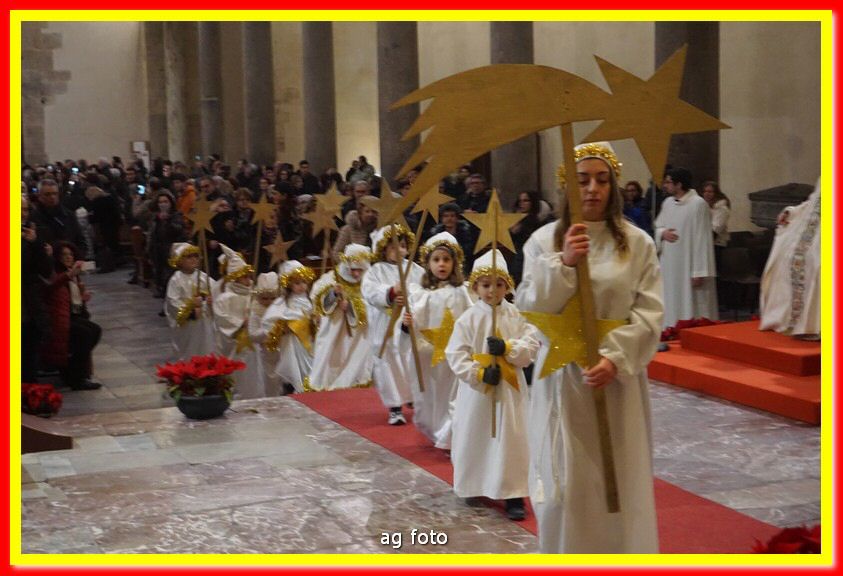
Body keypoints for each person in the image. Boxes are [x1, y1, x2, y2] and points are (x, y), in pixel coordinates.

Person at [515, 141, 664, 553]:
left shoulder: (637, 243)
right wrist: (563, 264)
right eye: (582, 180)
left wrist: (615, 358)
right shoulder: (543, 240)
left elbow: (649, 312)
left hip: (616, 383)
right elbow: (528, 306)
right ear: (567, 186)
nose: (592, 189)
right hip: (563, 379)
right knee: (567, 483)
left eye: (602, 180)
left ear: (614, 185)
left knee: (619, 477)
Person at [445, 249, 539, 521]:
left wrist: (508, 348)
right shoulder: (468, 319)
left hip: (509, 391)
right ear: (475, 287)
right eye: (485, 285)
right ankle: (474, 482)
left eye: (498, 285)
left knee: (511, 439)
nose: (492, 291)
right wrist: (478, 373)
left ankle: (513, 492)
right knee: (475, 434)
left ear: (507, 286)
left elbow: (531, 345)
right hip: (478, 392)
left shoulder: (516, 315)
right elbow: (456, 354)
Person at [404, 232, 473, 450]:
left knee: (453, 396)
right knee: (431, 396)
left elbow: (471, 317)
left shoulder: (462, 292)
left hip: (455, 356)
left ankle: (449, 436)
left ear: (455, 262)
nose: (441, 264)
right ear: (428, 263)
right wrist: (406, 323)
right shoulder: (419, 293)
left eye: (446, 259)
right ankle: (436, 430)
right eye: (436, 259)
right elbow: (412, 322)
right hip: (428, 355)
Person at [361, 224, 424, 425]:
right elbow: (370, 292)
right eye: (393, 247)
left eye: (403, 246)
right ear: (383, 249)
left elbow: (424, 289)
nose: (399, 250)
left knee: (410, 359)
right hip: (385, 325)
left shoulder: (414, 269)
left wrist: (410, 297)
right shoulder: (376, 271)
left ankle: (413, 397)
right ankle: (395, 407)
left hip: (408, 323)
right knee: (388, 364)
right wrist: (391, 293)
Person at [654, 167, 718, 328]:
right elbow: (658, 226)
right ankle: (670, 328)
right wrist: (662, 233)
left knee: (692, 302)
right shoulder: (668, 203)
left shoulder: (698, 204)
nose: (665, 185)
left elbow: (702, 238)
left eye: (668, 182)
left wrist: (699, 271)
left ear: (679, 184)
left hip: (689, 265)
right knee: (670, 297)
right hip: (670, 265)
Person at [759, 178, 820, 339]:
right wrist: (791, 212)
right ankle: (799, 322)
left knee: (817, 264)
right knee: (788, 259)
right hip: (814, 230)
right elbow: (812, 202)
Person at [309, 244, 374, 391]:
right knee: (331, 361)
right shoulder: (332, 277)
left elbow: (373, 305)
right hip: (333, 331)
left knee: (355, 364)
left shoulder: (370, 282)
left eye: (360, 270)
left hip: (358, 336)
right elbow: (319, 301)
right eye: (353, 269)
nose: (356, 274)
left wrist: (351, 305)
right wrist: (333, 294)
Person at [41, 241, 103, 390]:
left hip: (69, 314)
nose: (68, 257)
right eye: (64, 255)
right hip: (57, 318)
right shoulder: (57, 272)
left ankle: (74, 370)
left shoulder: (72, 273)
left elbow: (71, 299)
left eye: (70, 254)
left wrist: (82, 297)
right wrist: (69, 275)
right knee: (84, 334)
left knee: (94, 330)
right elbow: (51, 287)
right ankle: (76, 377)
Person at [213, 245, 264, 399]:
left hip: (254, 342)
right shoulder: (225, 298)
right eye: (244, 277)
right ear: (235, 278)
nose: (249, 280)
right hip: (236, 344)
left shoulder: (254, 294)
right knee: (239, 371)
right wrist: (241, 322)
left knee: (255, 371)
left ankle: (256, 394)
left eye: (249, 276)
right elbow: (222, 318)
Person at [262, 260, 316, 394]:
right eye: (297, 283)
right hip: (292, 342)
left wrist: (315, 321)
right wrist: (282, 328)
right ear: (289, 284)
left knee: (308, 368)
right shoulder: (283, 302)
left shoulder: (310, 301)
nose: (302, 286)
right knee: (294, 367)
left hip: (308, 343)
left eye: (304, 282)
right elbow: (270, 321)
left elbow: (314, 318)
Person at [164, 242, 216, 359]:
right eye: (189, 257)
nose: (193, 259)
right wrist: (190, 311)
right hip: (188, 323)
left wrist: (211, 300)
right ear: (179, 261)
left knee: (205, 346)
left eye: (195, 256)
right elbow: (172, 302)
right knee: (190, 350)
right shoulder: (176, 279)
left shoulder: (202, 276)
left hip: (204, 320)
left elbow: (215, 290)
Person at [22, 194, 53, 383]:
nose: (23, 214)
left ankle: (30, 390)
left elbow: (46, 270)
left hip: (30, 302)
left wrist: (36, 245)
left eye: (25, 210)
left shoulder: (33, 235)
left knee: (30, 348)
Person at [147, 191, 187, 299]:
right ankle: (161, 289)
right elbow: (152, 234)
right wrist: (149, 250)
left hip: (171, 248)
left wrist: (168, 221)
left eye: (165, 201)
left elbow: (179, 230)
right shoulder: (155, 217)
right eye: (160, 202)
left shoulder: (176, 215)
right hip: (158, 249)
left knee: (170, 274)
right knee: (159, 272)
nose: (163, 204)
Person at [249, 271, 282, 396]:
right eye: (265, 298)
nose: (269, 302)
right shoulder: (255, 312)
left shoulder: (282, 309)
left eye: (273, 298)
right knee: (266, 380)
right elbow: (252, 334)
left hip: (281, 351)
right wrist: (269, 332)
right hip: (263, 353)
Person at [510, 191, 554, 284]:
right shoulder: (515, 218)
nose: (522, 204)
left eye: (526, 200)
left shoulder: (536, 220)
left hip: (531, 256)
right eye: (520, 201)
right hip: (517, 255)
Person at [426, 203, 475, 275]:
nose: (449, 219)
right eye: (446, 216)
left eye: (452, 216)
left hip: (463, 268)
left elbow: (468, 253)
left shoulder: (466, 234)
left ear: (457, 218)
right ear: (441, 219)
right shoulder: (435, 235)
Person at [332, 197, 378, 263]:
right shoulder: (348, 229)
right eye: (367, 211)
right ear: (360, 213)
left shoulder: (381, 229)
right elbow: (336, 253)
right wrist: (350, 264)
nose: (370, 214)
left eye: (374, 211)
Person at [701, 181, 731, 262]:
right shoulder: (704, 206)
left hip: (717, 244)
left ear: (716, 193)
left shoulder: (722, 208)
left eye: (710, 191)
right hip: (705, 242)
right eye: (705, 191)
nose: (706, 194)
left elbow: (716, 228)